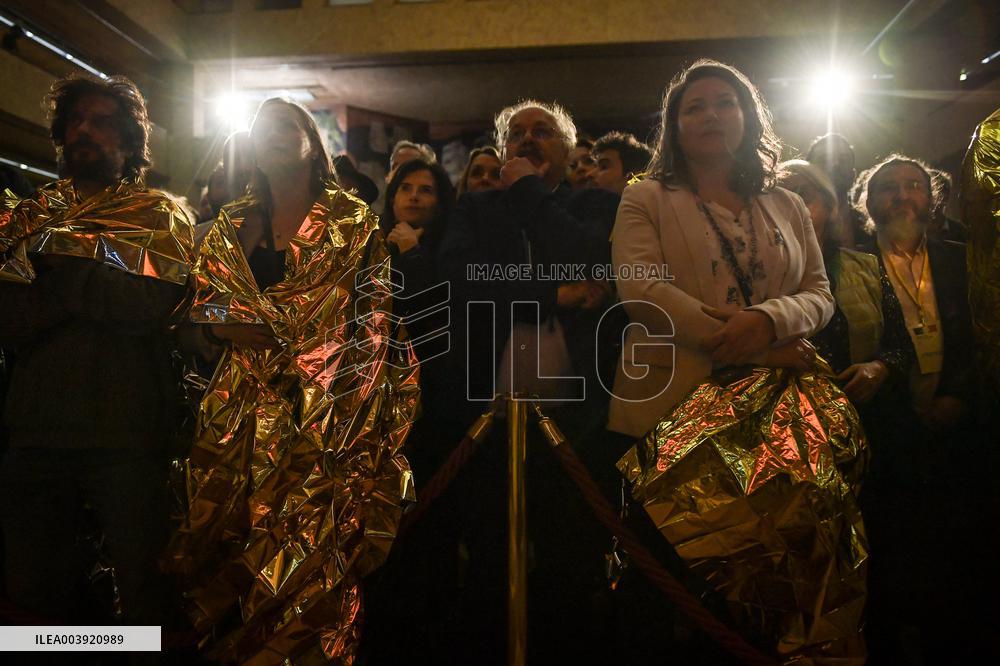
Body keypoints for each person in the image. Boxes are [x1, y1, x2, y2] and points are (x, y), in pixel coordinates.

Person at [166, 98, 416, 664]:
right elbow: (198, 310)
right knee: (229, 550)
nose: (271, 135)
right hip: (237, 418)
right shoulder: (230, 225)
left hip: (320, 419)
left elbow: (374, 326)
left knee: (310, 557)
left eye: (286, 126)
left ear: (313, 142)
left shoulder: (353, 223)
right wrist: (221, 329)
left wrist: (353, 421)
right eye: (259, 129)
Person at [606, 59, 839, 663]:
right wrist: (753, 342)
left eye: (726, 103)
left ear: (748, 117)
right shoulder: (647, 196)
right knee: (674, 590)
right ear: (675, 127)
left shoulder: (786, 202)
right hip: (671, 408)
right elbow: (641, 290)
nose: (711, 114)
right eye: (695, 107)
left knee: (766, 586)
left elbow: (819, 292)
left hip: (774, 419)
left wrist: (767, 322)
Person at [0, 75, 195, 630]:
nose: (85, 129)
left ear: (130, 143)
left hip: (126, 436)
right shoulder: (30, 216)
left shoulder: (157, 214)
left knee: (143, 595)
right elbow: (7, 318)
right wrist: (88, 274)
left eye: (102, 121)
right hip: (36, 433)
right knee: (34, 601)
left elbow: (152, 303)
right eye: (76, 121)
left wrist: (58, 270)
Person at [436, 99, 618, 664]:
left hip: (580, 416)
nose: (527, 139)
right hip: (485, 415)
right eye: (516, 133)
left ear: (568, 148)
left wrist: (529, 193)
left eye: (543, 132)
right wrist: (550, 294)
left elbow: (587, 254)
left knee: (569, 557)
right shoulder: (475, 208)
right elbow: (461, 282)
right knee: (491, 557)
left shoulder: (594, 205)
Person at [852, 153, 979, 663]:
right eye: (888, 187)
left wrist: (958, 395)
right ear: (868, 202)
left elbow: (979, 335)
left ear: (934, 199)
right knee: (890, 552)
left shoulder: (960, 257)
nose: (903, 196)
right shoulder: (852, 261)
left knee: (953, 551)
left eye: (914, 186)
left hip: (955, 426)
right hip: (886, 432)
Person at [778, 159, 913, 405]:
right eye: (779, 197)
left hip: (870, 411)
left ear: (829, 206)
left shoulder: (865, 267)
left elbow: (901, 344)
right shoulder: (760, 276)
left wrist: (879, 368)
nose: (791, 204)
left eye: (802, 194)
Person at [807, 133, 866, 247]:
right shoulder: (792, 220)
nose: (835, 164)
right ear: (807, 173)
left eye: (844, 160)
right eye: (824, 160)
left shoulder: (870, 225)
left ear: (853, 175)